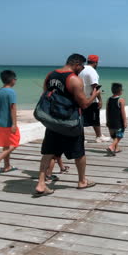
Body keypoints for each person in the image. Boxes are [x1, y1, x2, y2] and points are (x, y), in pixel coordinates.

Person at [34, 54, 100, 196]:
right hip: (70, 123)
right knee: (79, 153)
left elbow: (45, 94)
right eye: (81, 67)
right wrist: (95, 94)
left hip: (52, 122)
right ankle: (82, 181)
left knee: (48, 152)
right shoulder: (75, 80)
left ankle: (40, 183)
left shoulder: (50, 75)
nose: (82, 69)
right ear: (77, 64)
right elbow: (84, 104)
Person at [79, 54, 110, 143]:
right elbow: (95, 86)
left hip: (80, 98)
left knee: (81, 119)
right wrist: (100, 100)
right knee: (95, 118)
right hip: (91, 99)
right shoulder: (92, 71)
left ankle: (81, 138)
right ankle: (99, 136)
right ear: (96, 63)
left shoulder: (81, 69)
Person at [0, 70, 20, 173]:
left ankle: (7, 166)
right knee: (15, 143)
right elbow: (13, 108)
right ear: (12, 80)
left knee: (6, 145)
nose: (15, 81)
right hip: (7, 123)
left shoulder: (0, 91)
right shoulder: (11, 92)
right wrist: (14, 124)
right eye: (15, 79)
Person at [106, 83, 127, 156]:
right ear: (120, 91)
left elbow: (107, 111)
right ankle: (111, 147)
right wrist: (125, 122)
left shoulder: (109, 99)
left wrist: (107, 121)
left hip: (110, 122)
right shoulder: (121, 100)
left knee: (114, 136)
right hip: (118, 123)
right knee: (119, 136)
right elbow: (123, 112)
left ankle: (116, 148)